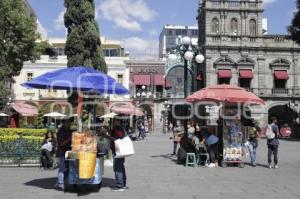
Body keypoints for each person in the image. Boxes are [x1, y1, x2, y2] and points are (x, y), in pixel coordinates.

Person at [54, 118, 72, 191]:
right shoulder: (61, 132)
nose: (69, 124)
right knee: (62, 168)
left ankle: (61, 182)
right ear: (63, 123)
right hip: (62, 152)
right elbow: (62, 143)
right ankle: (60, 184)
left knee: (69, 167)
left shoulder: (69, 130)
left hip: (68, 152)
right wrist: (70, 138)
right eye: (68, 123)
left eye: (69, 123)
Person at [110, 119, 128, 191]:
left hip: (118, 151)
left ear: (118, 121)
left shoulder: (118, 129)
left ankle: (120, 186)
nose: (113, 122)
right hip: (120, 151)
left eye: (114, 121)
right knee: (121, 167)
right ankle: (123, 184)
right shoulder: (120, 128)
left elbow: (118, 139)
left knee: (118, 168)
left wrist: (107, 136)